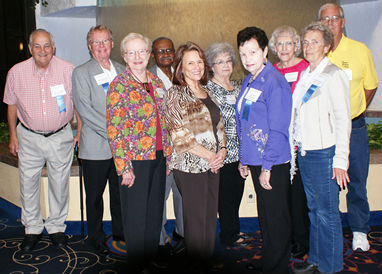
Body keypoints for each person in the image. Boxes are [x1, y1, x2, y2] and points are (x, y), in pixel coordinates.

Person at [3, 29, 80, 252]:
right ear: (30, 49)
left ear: (53, 47)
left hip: (60, 137)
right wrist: (13, 135)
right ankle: (32, 229)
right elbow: (11, 105)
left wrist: (79, 132)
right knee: (28, 184)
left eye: (46, 45)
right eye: (37, 46)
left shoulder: (68, 70)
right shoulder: (16, 72)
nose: (42, 50)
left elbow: (77, 104)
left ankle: (56, 227)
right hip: (28, 137)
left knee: (59, 183)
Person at [106, 32, 172, 273]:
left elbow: (164, 122)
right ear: (124, 56)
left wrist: (168, 156)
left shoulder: (156, 83)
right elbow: (115, 129)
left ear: (148, 54)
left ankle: (150, 257)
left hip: (158, 156)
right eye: (131, 52)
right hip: (134, 160)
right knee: (136, 215)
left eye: (141, 51)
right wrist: (124, 167)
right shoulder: (119, 85)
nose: (137, 57)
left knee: (155, 211)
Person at [291, 21, 351, 274]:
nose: (308, 46)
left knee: (327, 214)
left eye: (315, 42)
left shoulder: (333, 74)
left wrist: (340, 160)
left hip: (326, 154)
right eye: (305, 42)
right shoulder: (306, 75)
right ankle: (315, 259)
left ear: (327, 46)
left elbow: (342, 119)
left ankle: (330, 267)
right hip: (306, 152)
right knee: (314, 211)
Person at [318, 2, 379, 252]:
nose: (330, 22)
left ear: (343, 21)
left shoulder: (359, 50)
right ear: (318, 24)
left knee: (356, 181)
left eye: (335, 18)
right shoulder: (316, 53)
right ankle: (330, 232)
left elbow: (371, 85)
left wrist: (355, 110)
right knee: (327, 184)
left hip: (354, 128)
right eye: (325, 19)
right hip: (325, 131)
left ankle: (359, 231)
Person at [163, 41, 226, 271]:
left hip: (213, 164)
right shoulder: (174, 95)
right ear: (181, 68)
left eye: (199, 61)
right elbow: (179, 136)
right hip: (190, 166)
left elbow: (220, 126)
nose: (197, 66)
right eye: (191, 63)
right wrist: (210, 155)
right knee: (196, 220)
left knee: (210, 217)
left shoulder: (207, 91)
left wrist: (222, 152)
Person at [236, 26, 292, 274]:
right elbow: (244, 120)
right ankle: (270, 260)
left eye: (253, 52)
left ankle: (278, 267)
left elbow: (278, 129)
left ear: (265, 51)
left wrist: (267, 166)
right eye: (243, 54)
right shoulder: (249, 79)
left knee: (276, 217)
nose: (248, 59)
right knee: (266, 215)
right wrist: (244, 158)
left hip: (274, 162)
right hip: (257, 159)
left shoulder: (274, 81)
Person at [72, 25, 124, 255]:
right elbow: (85, 109)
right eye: (96, 42)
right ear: (89, 46)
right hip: (95, 147)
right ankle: (95, 238)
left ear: (112, 44)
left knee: (120, 194)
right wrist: (114, 133)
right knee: (94, 198)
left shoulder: (124, 70)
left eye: (105, 41)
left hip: (121, 149)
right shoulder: (81, 72)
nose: (101, 45)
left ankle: (121, 234)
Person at [269, 25, 310, 258]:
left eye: (289, 43)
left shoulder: (306, 69)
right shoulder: (272, 71)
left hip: (301, 143)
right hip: (278, 143)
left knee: (298, 196)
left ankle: (302, 241)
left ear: (297, 45)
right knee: (281, 195)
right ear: (274, 48)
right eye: (280, 44)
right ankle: (287, 239)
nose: (284, 48)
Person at [205, 42, 249, 247]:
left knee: (235, 195)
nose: (225, 65)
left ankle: (233, 231)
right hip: (221, 154)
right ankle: (229, 235)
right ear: (211, 66)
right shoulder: (208, 90)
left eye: (228, 60)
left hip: (240, 153)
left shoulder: (239, 87)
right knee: (225, 198)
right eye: (219, 62)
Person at [148, 37, 184, 254]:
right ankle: (160, 240)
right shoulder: (147, 78)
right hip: (161, 149)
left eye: (169, 50)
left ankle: (182, 231)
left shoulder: (183, 74)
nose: (165, 54)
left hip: (185, 148)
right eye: (160, 51)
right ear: (153, 55)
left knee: (183, 194)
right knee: (160, 196)